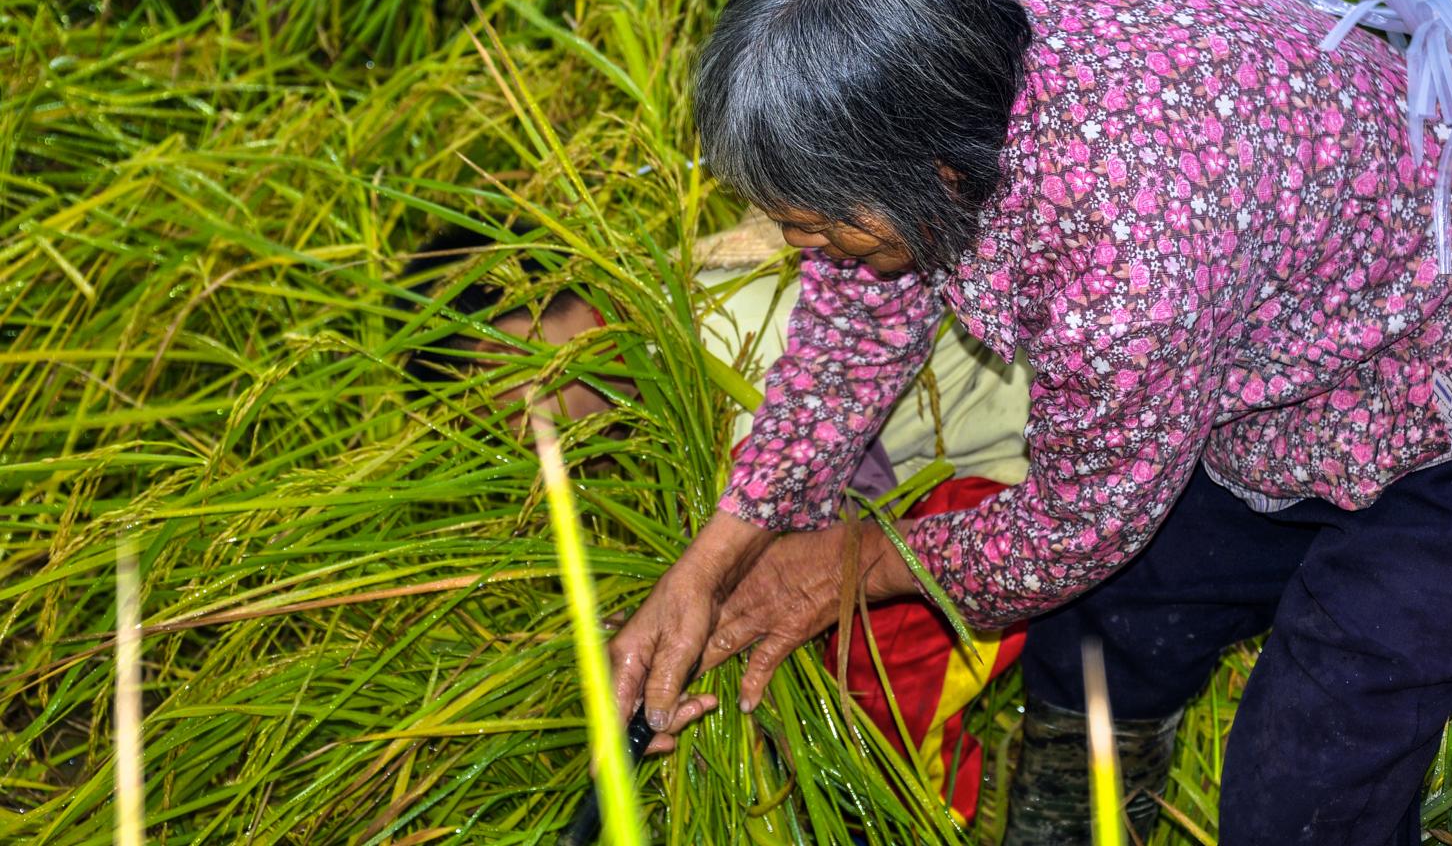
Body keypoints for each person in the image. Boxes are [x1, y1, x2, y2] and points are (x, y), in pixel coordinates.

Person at [606, 0, 1452, 846]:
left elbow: (1078, 522)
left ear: (940, 176)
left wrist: (854, 565)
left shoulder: (1124, 268)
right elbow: (855, 323)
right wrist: (715, 558)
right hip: (1289, 347)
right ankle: (1084, 808)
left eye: (824, 222)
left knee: (1306, 790)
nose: (798, 246)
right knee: (1105, 631)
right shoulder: (944, 40)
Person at [399, 219, 1034, 823]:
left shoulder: (728, 344)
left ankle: (924, 816)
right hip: (902, 488)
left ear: (510, 343)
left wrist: (681, 650)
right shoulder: (644, 318)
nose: (514, 439)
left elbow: (813, 543)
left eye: (492, 406)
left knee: (863, 688)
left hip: (1028, 483)